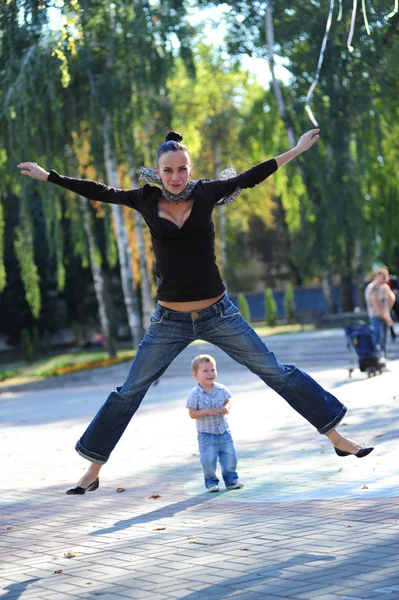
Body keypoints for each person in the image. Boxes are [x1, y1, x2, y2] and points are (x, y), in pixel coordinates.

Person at [18, 128, 374, 496]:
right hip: (169, 321)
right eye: (168, 170)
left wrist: (297, 150)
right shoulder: (144, 198)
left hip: (219, 313)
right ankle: (92, 470)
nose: (176, 177)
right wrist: (50, 176)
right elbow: (99, 191)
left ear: (190, 168)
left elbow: (252, 176)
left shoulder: (207, 193)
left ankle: (337, 438)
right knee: (129, 391)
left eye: (182, 169)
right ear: (158, 171)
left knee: (275, 371)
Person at [187, 354, 243, 493]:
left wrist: (227, 408)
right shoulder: (195, 394)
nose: (210, 373)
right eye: (205, 371)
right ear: (196, 375)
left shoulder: (221, 389)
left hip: (224, 432)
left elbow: (228, 401)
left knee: (230, 456)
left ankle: (231, 479)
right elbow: (192, 413)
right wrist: (206, 411)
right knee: (208, 461)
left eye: (213, 369)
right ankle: (211, 482)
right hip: (206, 435)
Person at [365, 267, 396, 358]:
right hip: (376, 315)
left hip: (384, 315)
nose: (385, 279)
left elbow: (392, 297)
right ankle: (376, 357)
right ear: (378, 276)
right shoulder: (372, 288)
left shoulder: (384, 287)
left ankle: (383, 358)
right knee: (378, 335)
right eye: (383, 277)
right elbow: (374, 304)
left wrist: (388, 310)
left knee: (385, 338)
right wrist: (386, 316)